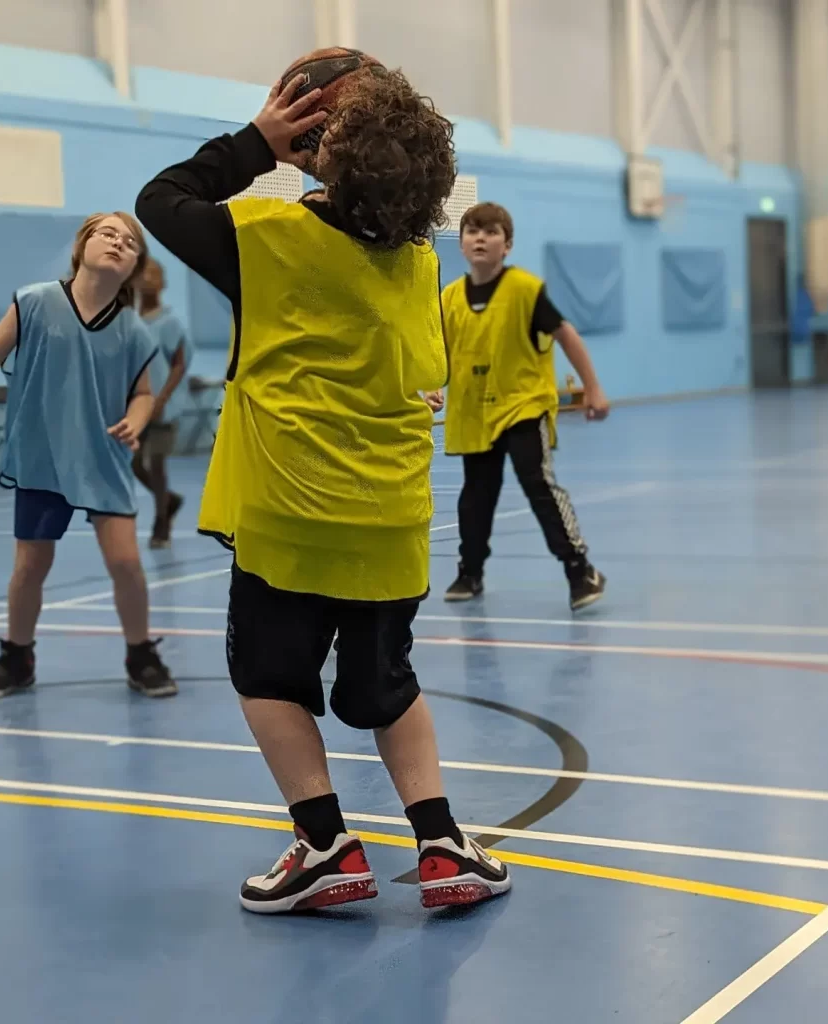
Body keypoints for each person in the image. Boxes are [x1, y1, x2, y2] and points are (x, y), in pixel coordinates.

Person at [136, 67, 511, 913]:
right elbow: (428, 375)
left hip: (288, 511)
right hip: (389, 520)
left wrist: (257, 143)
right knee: (390, 685)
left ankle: (323, 844)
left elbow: (161, 199)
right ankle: (443, 843)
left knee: (268, 679)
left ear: (319, 155)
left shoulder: (263, 236)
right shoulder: (420, 264)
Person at [0, 212, 178, 700]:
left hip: (102, 457)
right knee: (30, 566)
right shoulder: (36, 302)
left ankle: (140, 653)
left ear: (133, 267)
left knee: (127, 563)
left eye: (128, 242)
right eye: (107, 233)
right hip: (42, 458)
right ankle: (16, 656)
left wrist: (139, 418)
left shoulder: (132, 329)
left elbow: (144, 393)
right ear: (81, 245)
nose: (117, 242)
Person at [430, 202, 610, 611]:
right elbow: (438, 351)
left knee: (538, 484)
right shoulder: (450, 298)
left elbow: (566, 335)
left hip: (523, 406)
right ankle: (469, 571)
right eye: (472, 231)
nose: (480, 237)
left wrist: (593, 387)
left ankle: (580, 570)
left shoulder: (525, 290)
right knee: (476, 495)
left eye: (491, 232)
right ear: (460, 244)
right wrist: (430, 386)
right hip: (475, 412)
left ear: (507, 245)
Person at [133, 257, 189, 548]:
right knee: (134, 465)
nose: (147, 279)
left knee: (156, 464)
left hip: (163, 409)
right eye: (143, 274)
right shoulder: (131, 322)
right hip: (135, 407)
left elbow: (179, 364)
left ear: (163, 282)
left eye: (154, 274)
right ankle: (169, 501)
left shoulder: (170, 322)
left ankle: (161, 524)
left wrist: (162, 399)